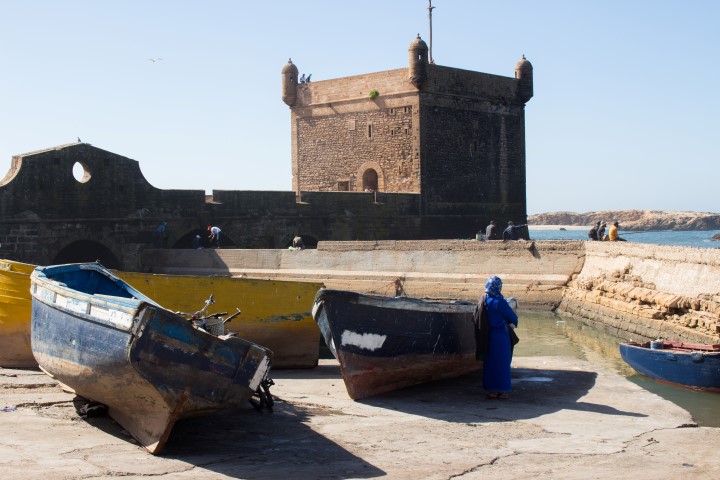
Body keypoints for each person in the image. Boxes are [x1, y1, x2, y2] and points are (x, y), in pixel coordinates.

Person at [481, 276, 518, 399]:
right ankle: (503, 390)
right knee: (502, 363)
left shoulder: (484, 300)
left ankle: (492, 391)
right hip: (501, 337)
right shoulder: (500, 302)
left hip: (488, 335)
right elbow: (513, 317)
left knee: (490, 363)